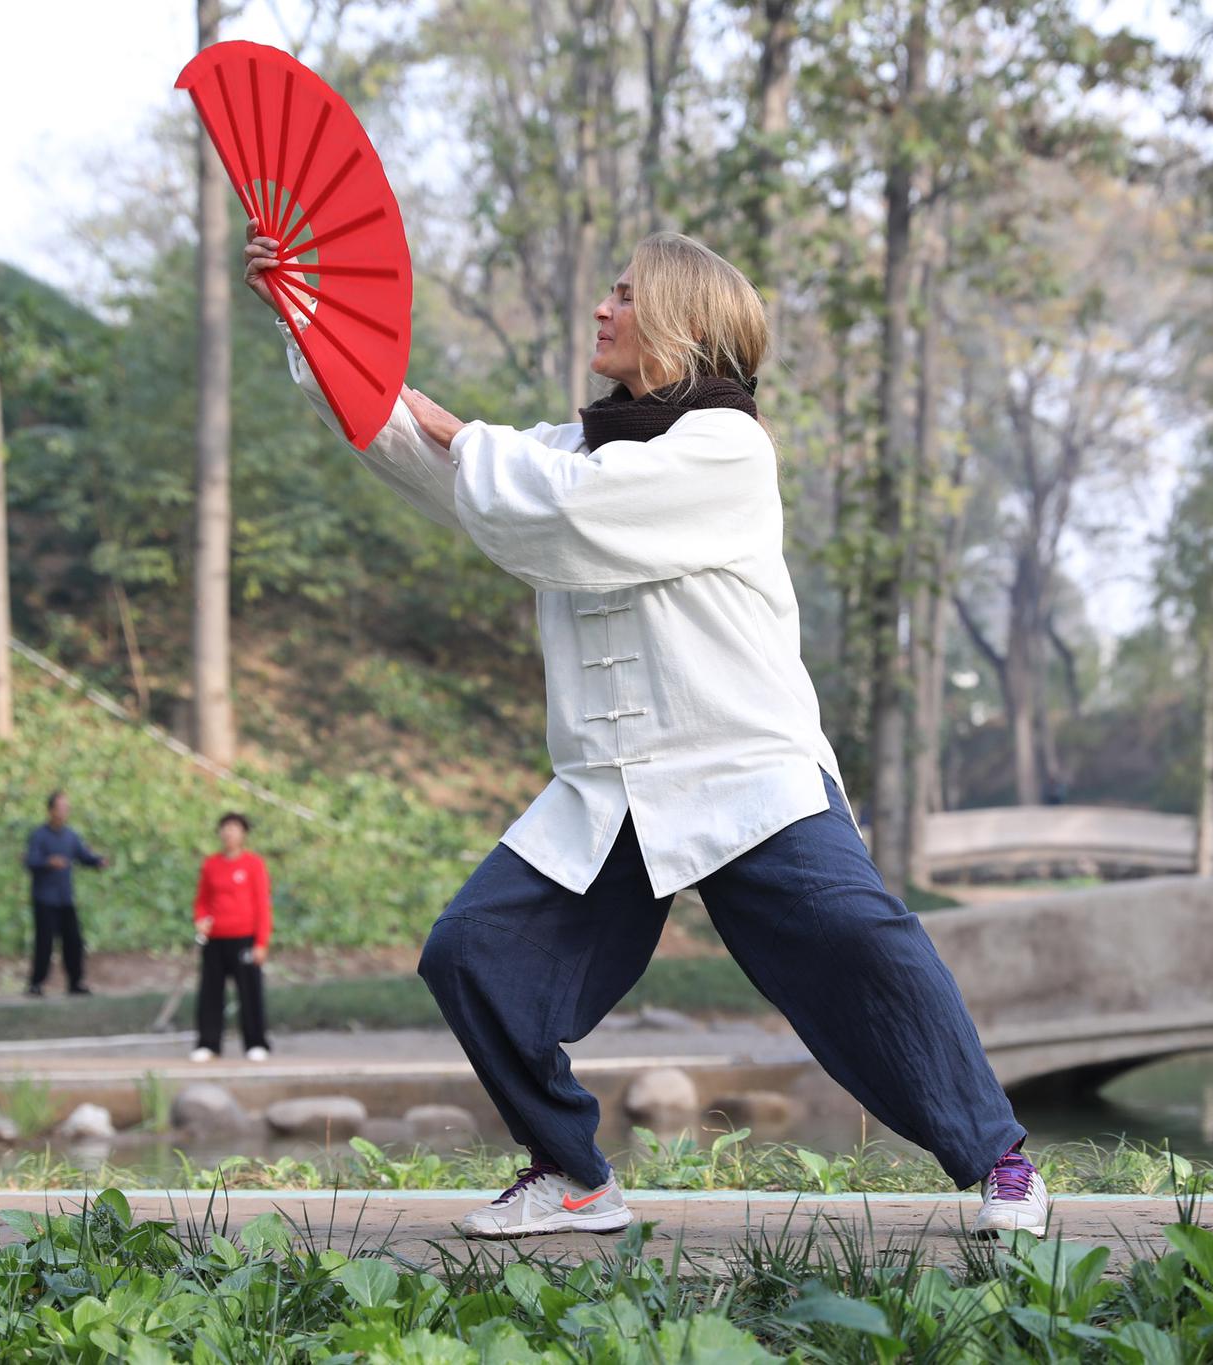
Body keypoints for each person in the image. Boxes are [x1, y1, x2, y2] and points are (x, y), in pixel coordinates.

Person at [246, 228, 1047, 1240]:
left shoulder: (724, 448)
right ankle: (572, 1174)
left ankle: (997, 1162)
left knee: (861, 943)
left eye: (623, 295)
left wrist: (454, 425)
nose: (601, 309)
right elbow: (413, 453)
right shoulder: (563, 452)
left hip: (744, 768)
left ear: (677, 321)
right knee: (470, 951)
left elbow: (571, 515)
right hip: (610, 785)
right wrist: (305, 317)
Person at [188, 812, 272, 1063]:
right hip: (215, 938)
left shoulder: (253, 864)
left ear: (243, 833)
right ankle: (209, 1043)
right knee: (210, 993)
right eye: (225, 828)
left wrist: (261, 942)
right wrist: (201, 919)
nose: (229, 833)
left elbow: (262, 905)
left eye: (234, 829)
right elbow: (202, 900)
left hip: (244, 937)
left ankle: (256, 1042)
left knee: (250, 992)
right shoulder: (211, 864)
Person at [23, 790, 109, 996]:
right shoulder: (39, 835)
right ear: (51, 810)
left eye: (66, 808)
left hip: (65, 898)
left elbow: (83, 855)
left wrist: (97, 861)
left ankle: (75, 982)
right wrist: (48, 862)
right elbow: (30, 860)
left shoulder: (70, 836)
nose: (63, 812)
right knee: (44, 943)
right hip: (45, 898)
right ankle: (36, 983)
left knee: (74, 941)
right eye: (60, 808)